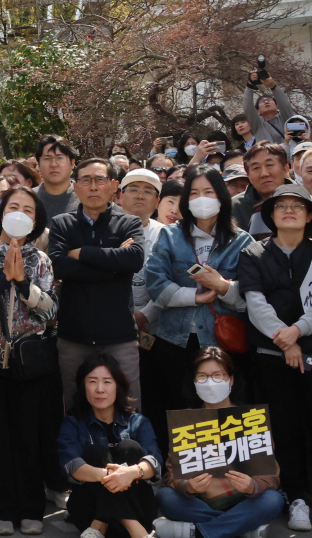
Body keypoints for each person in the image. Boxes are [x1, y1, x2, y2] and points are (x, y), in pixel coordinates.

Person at [145, 165, 255, 453]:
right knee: (179, 409)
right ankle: (182, 478)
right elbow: (156, 285)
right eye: (194, 192)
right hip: (175, 341)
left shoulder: (242, 241)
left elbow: (251, 298)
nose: (201, 198)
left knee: (223, 412)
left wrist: (222, 287)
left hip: (223, 343)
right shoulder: (169, 236)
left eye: (208, 191)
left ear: (221, 196)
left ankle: (228, 477)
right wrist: (195, 297)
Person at [0, 185, 58, 536]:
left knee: (29, 437)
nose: (20, 213)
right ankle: (2, 509)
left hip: (29, 362)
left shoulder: (40, 260)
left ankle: (31, 509)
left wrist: (24, 285)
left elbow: (51, 310)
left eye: (28, 209)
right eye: (13, 207)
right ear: (0, 212)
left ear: (36, 219)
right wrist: (1, 279)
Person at [239, 183, 312, 532]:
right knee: (281, 425)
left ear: (309, 215)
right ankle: (294, 495)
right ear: (271, 215)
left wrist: (297, 331)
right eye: (280, 205)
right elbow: (255, 303)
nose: (288, 210)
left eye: (297, 206)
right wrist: (285, 341)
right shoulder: (254, 253)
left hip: (309, 350)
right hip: (271, 353)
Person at [154, 348, 286, 538]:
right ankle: (240, 528)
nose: (210, 382)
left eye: (218, 375)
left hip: (246, 501)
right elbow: (171, 476)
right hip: (201, 503)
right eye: (202, 377)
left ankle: (199, 533)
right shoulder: (186, 422)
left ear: (230, 380)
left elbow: (272, 476)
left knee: (273, 500)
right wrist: (188, 486)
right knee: (166, 497)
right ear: (194, 382)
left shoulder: (251, 419)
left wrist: (252, 486)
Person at [49, 157, 145, 410]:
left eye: (100, 180)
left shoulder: (129, 222)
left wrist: (82, 253)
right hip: (74, 335)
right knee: (74, 404)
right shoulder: (62, 224)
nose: (93, 187)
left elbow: (134, 260)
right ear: (75, 186)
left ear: (114, 186)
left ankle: (131, 450)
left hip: (119, 335)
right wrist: (114, 265)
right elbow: (58, 266)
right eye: (86, 180)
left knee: (129, 403)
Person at [57, 355, 161, 538]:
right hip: (89, 510)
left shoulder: (137, 422)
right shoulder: (73, 423)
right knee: (96, 453)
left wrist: (132, 473)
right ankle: (138, 533)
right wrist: (113, 476)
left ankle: (98, 529)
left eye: (107, 382)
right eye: (92, 382)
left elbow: (155, 462)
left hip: (138, 507)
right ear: (83, 386)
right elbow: (70, 465)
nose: (99, 389)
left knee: (129, 448)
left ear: (118, 386)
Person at [118, 170, 171, 451]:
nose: (140, 195)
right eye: (133, 189)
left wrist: (144, 315)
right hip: (112, 329)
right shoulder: (105, 228)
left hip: (155, 330)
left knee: (154, 396)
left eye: (148, 191)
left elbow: (170, 283)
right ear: (120, 195)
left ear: (158, 200)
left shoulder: (167, 235)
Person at [233, 142, 290, 229]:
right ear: (248, 174)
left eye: (269, 165)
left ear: (285, 169)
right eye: (256, 168)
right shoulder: (235, 207)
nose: (264, 174)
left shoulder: (305, 201)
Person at [243, 69, 297, 146]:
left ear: (277, 105)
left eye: (269, 100)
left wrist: (273, 86)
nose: (266, 102)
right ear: (258, 111)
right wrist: (250, 84)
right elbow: (247, 108)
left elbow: (285, 104)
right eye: (262, 101)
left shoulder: (285, 118)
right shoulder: (257, 124)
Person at [37, 135, 82, 220]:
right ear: (38, 164)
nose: (54, 164)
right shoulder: (28, 199)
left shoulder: (85, 197)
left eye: (60, 158)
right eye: (47, 159)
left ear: (72, 163)